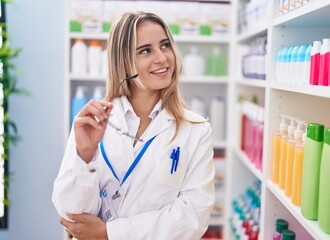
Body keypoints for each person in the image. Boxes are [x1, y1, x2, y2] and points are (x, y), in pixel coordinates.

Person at [52, 11, 215, 240]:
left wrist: (109, 233)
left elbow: (192, 217)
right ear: (123, 61)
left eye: (165, 45)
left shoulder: (195, 130)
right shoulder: (93, 122)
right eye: (145, 50)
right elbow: (72, 215)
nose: (162, 58)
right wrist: (84, 155)